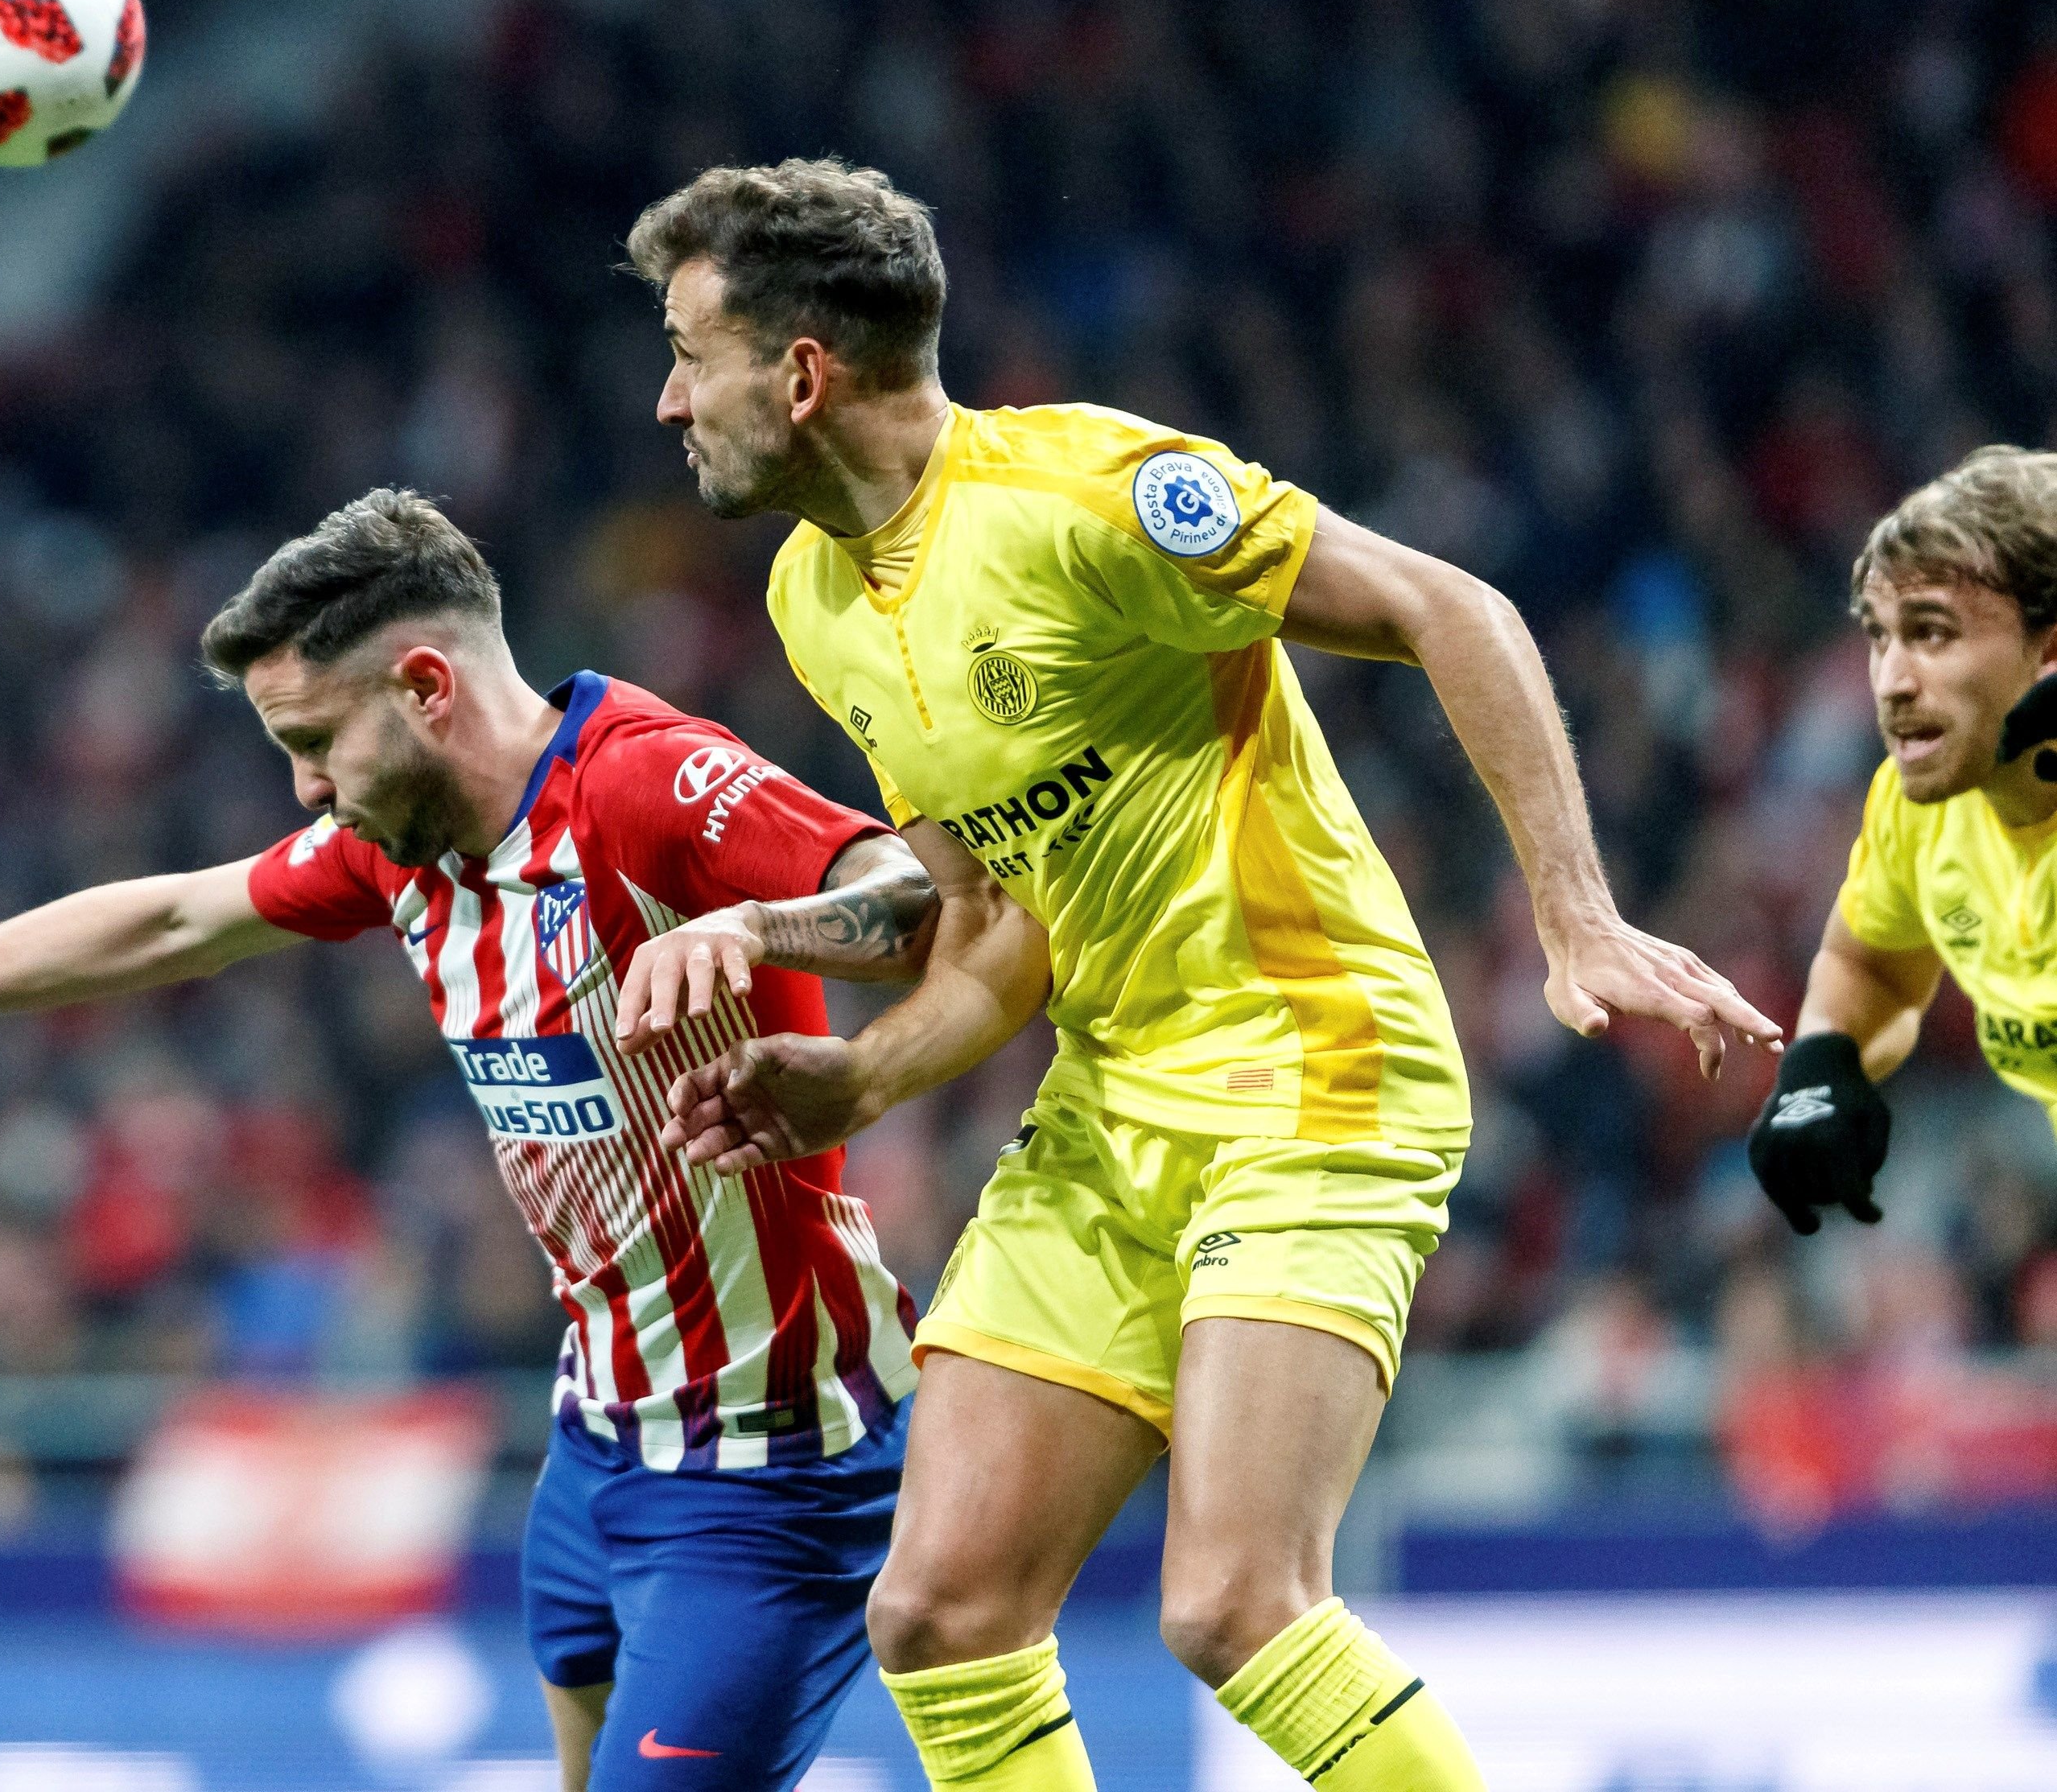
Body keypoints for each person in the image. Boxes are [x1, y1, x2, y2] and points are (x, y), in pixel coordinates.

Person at [608, 160, 1781, 1792]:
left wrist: (1573, 915)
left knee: (1234, 1603)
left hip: (1312, 1063)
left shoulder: (1084, 497)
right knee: (941, 1611)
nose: (666, 400)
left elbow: (1449, 608)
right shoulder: (815, 600)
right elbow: (993, 918)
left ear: (797, 373)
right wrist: (865, 1077)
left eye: (687, 351)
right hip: (1114, 1105)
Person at [0, 489, 950, 1792]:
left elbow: (902, 897)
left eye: (316, 739)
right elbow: (170, 922)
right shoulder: (402, 851)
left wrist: (750, 929)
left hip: (775, 1463)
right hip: (597, 1434)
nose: (306, 786)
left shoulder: (643, 784)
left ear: (427, 686)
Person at [1746, 447, 2057, 1235]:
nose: (1890, 680)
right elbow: (1869, 964)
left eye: (1933, 634)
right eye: (1882, 638)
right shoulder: (1920, 808)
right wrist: (1823, 1061)